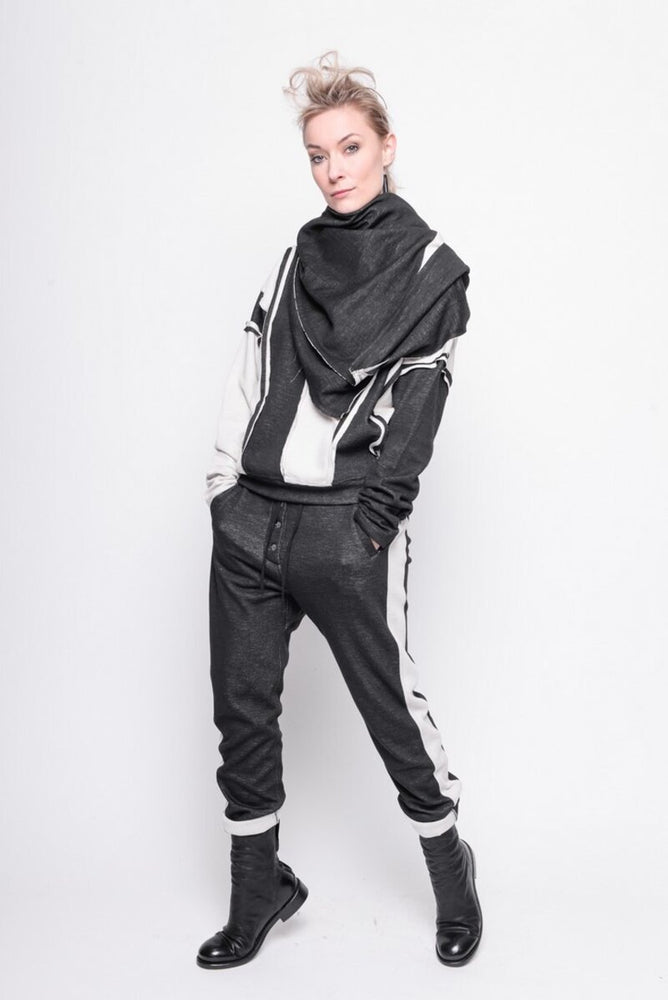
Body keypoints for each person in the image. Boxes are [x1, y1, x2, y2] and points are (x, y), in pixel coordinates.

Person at [196, 50, 483, 970]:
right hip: (252, 522)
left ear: (387, 146)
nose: (333, 170)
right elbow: (251, 367)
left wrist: (371, 525)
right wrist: (224, 489)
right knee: (241, 711)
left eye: (350, 147)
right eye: (318, 155)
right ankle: (258, 890)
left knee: (390, 710)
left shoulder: (428, 270)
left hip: (344, 528)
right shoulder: (296, 255)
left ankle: (451, 873)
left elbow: (421, 410)